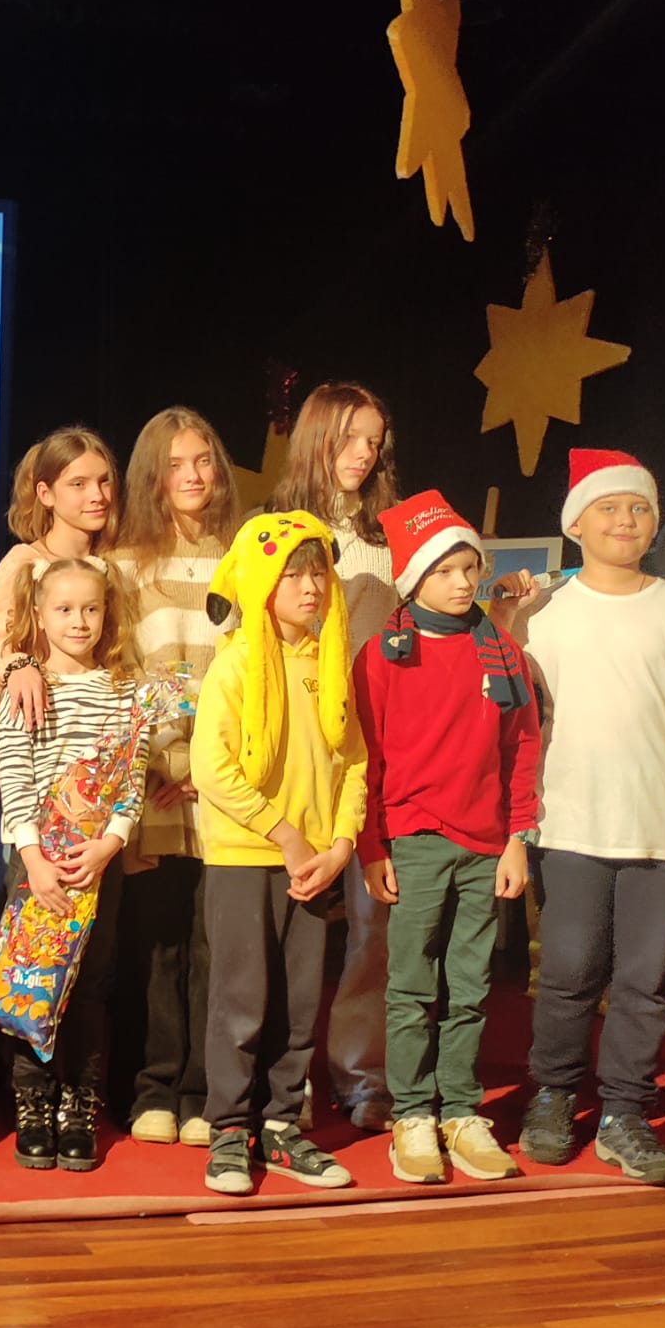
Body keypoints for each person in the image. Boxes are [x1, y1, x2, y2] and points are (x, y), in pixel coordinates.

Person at [494, 450, 665, 1185]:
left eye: (638, 509)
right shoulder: (546, 616)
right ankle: (554, 1095)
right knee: (568, 971)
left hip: (664, 832)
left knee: (642, 981)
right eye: (609, 507)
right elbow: (508, 713)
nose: (625, 520)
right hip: (568, 827)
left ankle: (626, 1113)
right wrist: (507, 614)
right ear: (575, 524)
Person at [352, 492, 539, 1186]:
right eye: (446, 570)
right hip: (414, 840)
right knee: (410, 985)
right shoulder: (382, 654)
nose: (463, 582)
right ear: (415, 580)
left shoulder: (501, 651)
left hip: (486, 843)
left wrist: (519, 837)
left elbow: (523, 748)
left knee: (469, 983)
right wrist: (373, 846)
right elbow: (365, 758)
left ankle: (459, 1110)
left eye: (470, 568)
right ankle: (411, 1114)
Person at [192, 512, 367, 1196]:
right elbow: (214, 769)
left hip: (316, 862)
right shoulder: (235, 665)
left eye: (317, 569)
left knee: (298, 1004)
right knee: (241, 1000)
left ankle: (283, 1123)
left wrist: (341, 843)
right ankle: (230, 1127)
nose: (309, 585)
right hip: (247, 857)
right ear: (262, 582)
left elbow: (355, 762)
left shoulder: (332, 665)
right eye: (291, 573)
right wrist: (287, 834)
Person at [105, 407, 242, 1148]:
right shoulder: (126, 566)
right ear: (152, 478)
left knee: (212, 941)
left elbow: (250, 674)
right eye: (177, 465)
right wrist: (165, 761)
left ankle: (200, 1089)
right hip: (156, 780)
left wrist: (210, 768)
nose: (193, 477)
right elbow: (124, 674)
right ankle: (154, 1084)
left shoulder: (242, 560)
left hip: (223, 787)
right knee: (156, 940)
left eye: (204, 461)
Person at [269, 380, 401, 1132]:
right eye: (351, 435)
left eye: (375, 440)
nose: (364, 453)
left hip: (372, 758)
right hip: (293, 758)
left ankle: (361, 1073)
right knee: (290, 924)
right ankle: (283, 1080)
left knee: (371, 918)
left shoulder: (392, 539)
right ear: (317, 435)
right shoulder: (274, 528)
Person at [0, 558, 151, 1173]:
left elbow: (130, 776)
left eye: (90, 608)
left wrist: (110, 844)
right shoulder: (28, 689)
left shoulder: (122, 691)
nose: (79, 621)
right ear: (39, 616)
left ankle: (78, 1101)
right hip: (38, 866)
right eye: (63, 609)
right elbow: (14, 770)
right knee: (32, 980)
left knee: (90, 984)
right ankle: (32, 1101)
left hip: (95, 865)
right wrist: (33, 858)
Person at [0, 426, 118, 917]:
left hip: (93, 789)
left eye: (103, 481)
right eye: (78, 484)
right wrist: (21, 665)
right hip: (25, 780)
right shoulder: (24, 565)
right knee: (22, 945)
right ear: (46, 493)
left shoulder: (113, 568)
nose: (96, 495)